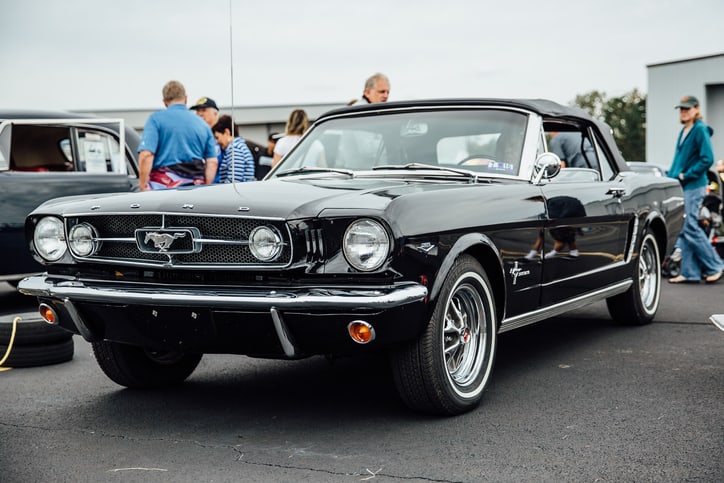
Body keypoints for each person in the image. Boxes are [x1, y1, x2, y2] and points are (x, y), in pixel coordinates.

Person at [667, 95, 724, 284]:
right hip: (683, 185)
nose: (683, 111)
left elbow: (707, 158)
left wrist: (686, 174)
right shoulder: (685, 130)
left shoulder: (699, 129)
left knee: (690, 225)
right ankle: (690, 273)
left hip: (694, 184)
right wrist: (674, 176)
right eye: (681, 109)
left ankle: (716, 265)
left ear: (696, 109)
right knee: (684, 228)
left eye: (687, 108)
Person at [137, 81, 218, 190]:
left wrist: (142, 185)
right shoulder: (203, 124)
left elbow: (146, 155)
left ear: (165, 102)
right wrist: (205, 186)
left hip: (162, 190)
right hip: (195, 190)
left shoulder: (155, 120)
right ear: (186, 99)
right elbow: (212, 162)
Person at [211, 115, 255, 183]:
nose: (217, 142)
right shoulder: (238, 147)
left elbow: (234, 180)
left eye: (217, 137)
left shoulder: (235, 149)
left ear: (227, 132)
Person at [189, 96, 223, 182]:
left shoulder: (225, 135)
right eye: (197, 111)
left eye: (204, 110)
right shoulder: (196, 137)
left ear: (215, 113)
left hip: (221, 188)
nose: (200, 114)